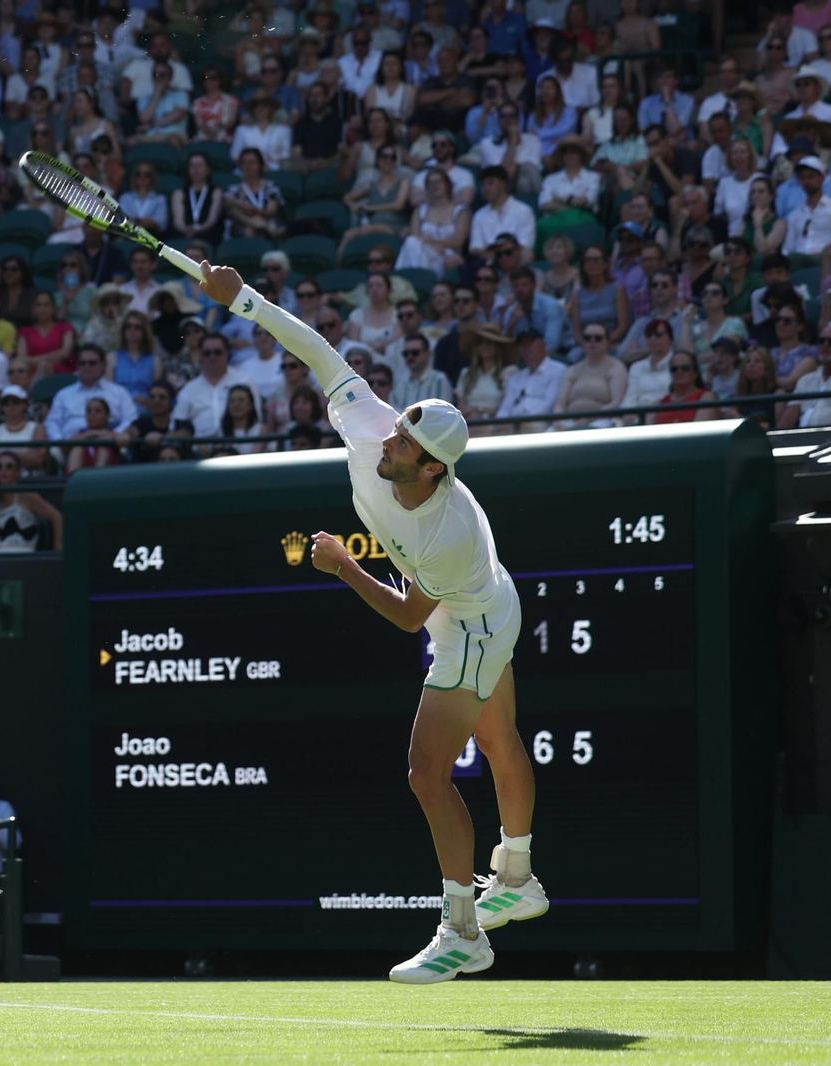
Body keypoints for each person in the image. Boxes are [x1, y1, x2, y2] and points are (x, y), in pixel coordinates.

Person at [199, 257, 543, 983]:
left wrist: (342, 566)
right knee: (498, 737)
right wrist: (243, 299)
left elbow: (411, 615)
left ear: (433, 469)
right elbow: (318, 351)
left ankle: (463, 933)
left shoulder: (448, 532)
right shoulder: (375, 428)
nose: (389, 440)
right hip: (489, 602)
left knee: (426, 772)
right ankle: (518, 876)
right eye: (397, 429)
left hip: (472, 624)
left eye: (404, 443)